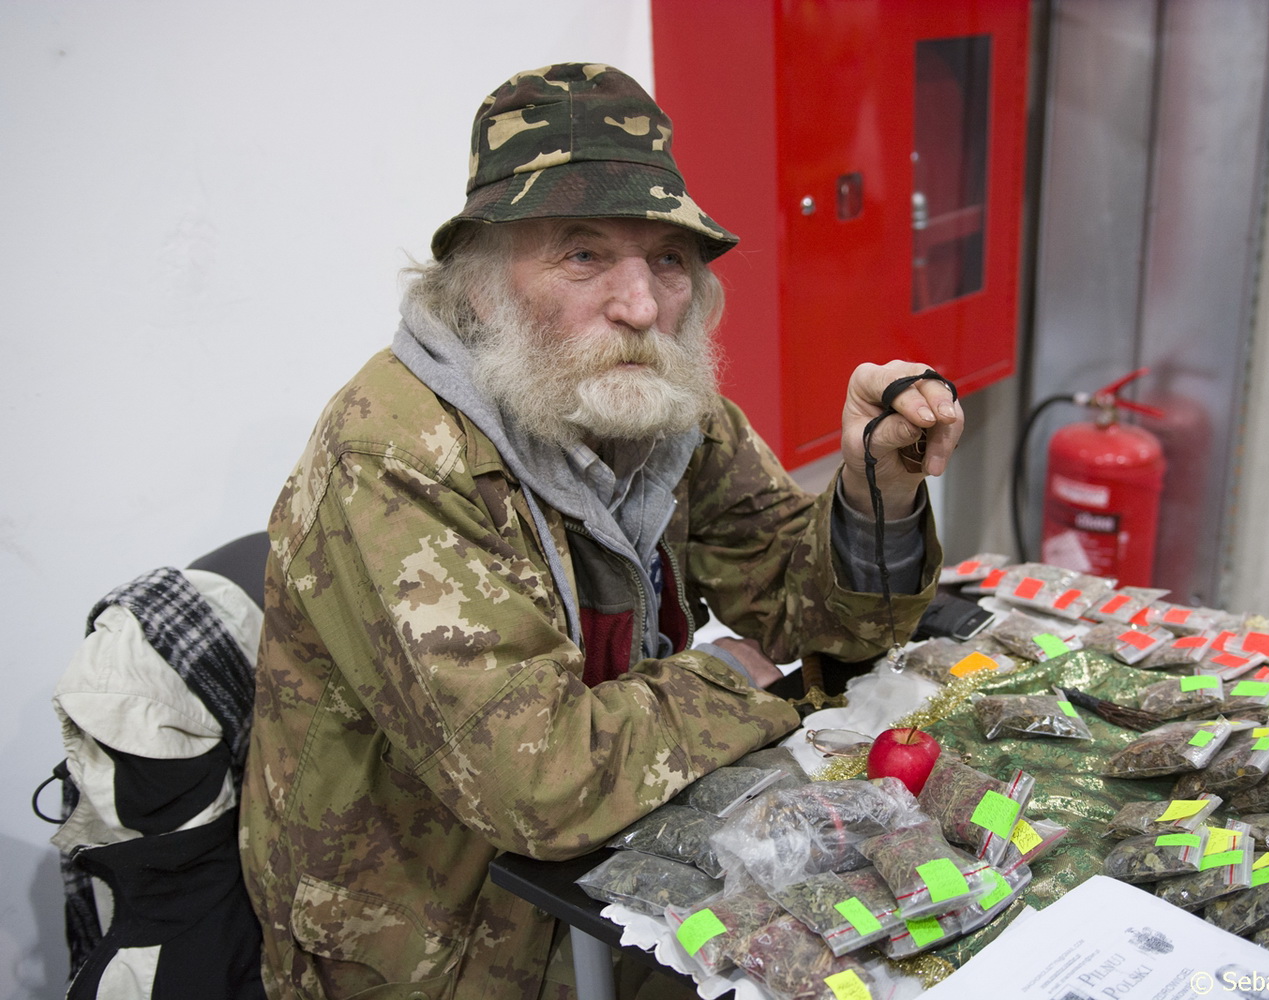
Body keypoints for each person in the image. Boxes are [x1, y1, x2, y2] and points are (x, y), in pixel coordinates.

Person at [239, 62, 963, 1000]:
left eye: (668, 260)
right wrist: (731, 677)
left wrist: (876, 488)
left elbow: (826, 624)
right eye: (582, 256)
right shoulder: (391, 455)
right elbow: (538, 782)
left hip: (614, 881)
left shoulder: (663, 411)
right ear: (478, 285)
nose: (641, 306)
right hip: (431, 946)